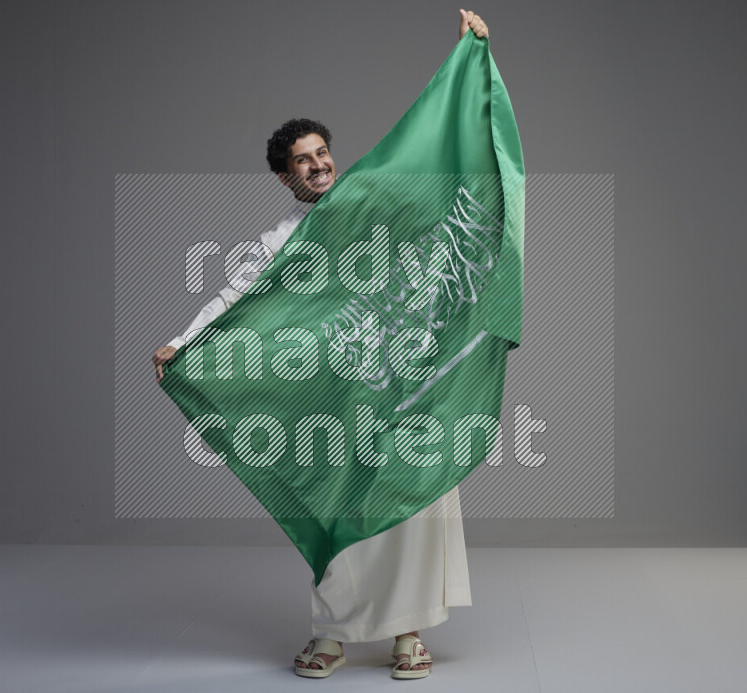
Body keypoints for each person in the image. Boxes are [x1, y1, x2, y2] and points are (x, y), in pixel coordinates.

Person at [151, 9, 490, 679]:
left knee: (411, 499)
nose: (316, 164)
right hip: (337, 390)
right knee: (338, 503)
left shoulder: (376, 202)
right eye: (301, 161)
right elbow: (237, 298)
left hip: (404, 376)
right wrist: (180, 343)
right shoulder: (283, 241)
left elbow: (444, 161)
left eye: (321, 152)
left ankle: (407, 635)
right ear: (286, 178)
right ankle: (334, 634)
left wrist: (469, 65)